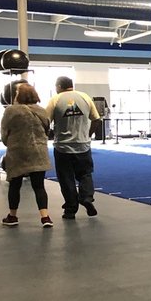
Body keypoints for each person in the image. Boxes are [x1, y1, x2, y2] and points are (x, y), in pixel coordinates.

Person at [46, 76, 101, 219]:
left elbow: (45, 121)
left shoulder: (55, 99)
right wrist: (88, 135)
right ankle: (86, 197)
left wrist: (50, 134)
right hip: (83, 145)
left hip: (62, 147)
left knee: (66, 178)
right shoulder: (85, 97)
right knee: (85, 174)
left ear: (59, 86)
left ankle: (70, 209)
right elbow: (96, 119)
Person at [0, 83, 53, 228]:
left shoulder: (11, 111)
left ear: (18, 95)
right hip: (39, 152)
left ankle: (12, 216)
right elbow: (47, 130)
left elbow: (4, 133)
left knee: (15, 185)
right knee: (39, 186)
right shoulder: (42, 111)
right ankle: (45, 217)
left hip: (17, 152)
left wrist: (10, 143)